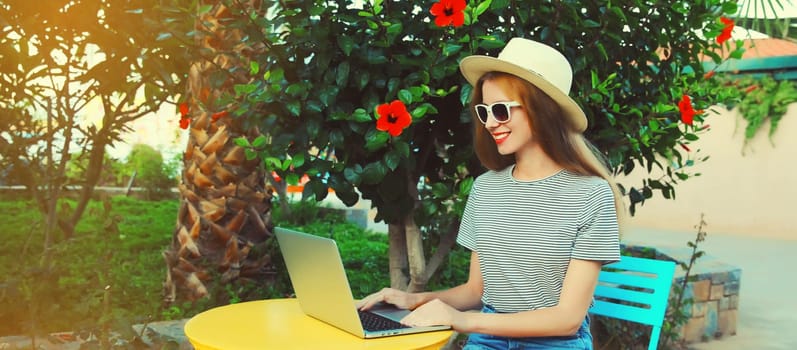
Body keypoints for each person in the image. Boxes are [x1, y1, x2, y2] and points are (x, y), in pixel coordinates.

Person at [357, 37, 622, 349]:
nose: (491, 123)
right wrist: (411, 300)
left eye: (501, 110)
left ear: (542, 110)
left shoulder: (591, 194)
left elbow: (567, 318)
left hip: (555, 343)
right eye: (484, 111)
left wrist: (463, 320)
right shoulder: (485, 188)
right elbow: (475, 291)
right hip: (489, 339)